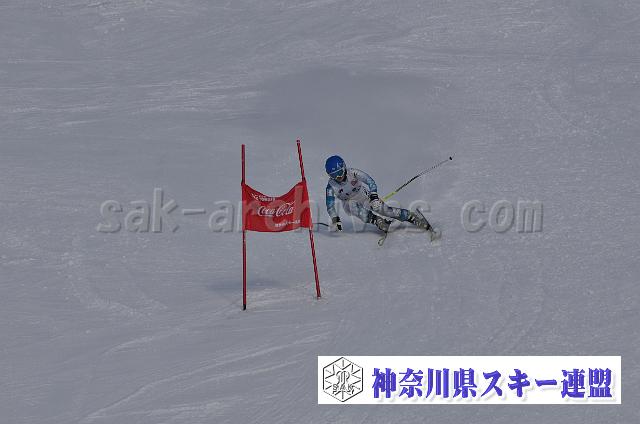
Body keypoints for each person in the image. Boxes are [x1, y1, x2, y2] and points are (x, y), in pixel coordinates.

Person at [324, 155, 432, 233]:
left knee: (384, 210)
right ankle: (379, 221)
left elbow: (370, 181)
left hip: (363, 195)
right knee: (353, 208)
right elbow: (330, 205)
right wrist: (335, 219)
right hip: (348, 202)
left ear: (344, 167)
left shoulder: (353, 173)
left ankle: (410, 216)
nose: (339, 177)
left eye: (339, 173)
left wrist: (374, 197)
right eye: (334, 176)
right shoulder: (331, 186)